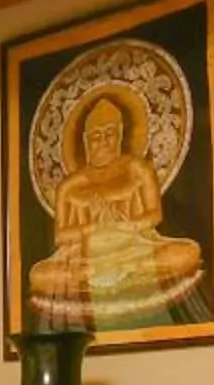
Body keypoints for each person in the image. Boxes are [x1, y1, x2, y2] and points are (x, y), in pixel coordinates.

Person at [26, 91, 204, 327]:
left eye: (110, 133)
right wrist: (92, 229)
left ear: (120, 135)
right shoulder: (70, 186)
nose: (104, 142)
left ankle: (126, 271)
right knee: (40, 275)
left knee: (187, 252)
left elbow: (155, 216)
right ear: (86, 140)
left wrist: (123, 226)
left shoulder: (137, 169)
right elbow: (61, 236)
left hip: (134, 248)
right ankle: (121, 276)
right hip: (84, 257)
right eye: (97, 136)